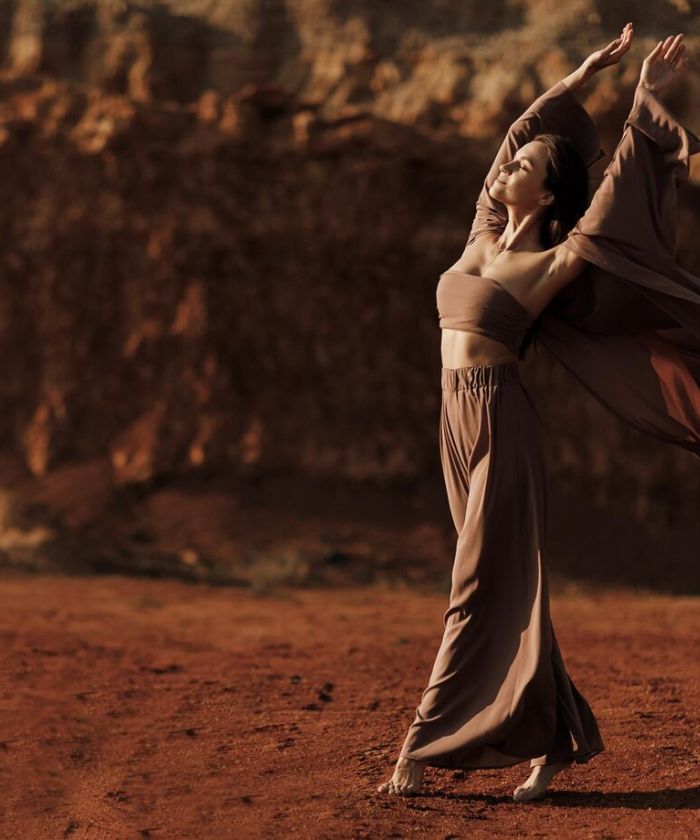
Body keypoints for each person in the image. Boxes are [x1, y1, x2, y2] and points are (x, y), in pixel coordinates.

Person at [377, 23, 700, 803]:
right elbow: (520, 132)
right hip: (452, 419)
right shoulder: (481, 233)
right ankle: (559, 740)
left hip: (502, 424)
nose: (505, 170)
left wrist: (645, 102)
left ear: (547, 193)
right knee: (503, 584)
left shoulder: (554, 262)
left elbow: (622, 189)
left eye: (520, 170)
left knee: (476, 584)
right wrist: (581, 74)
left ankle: (422, 745)